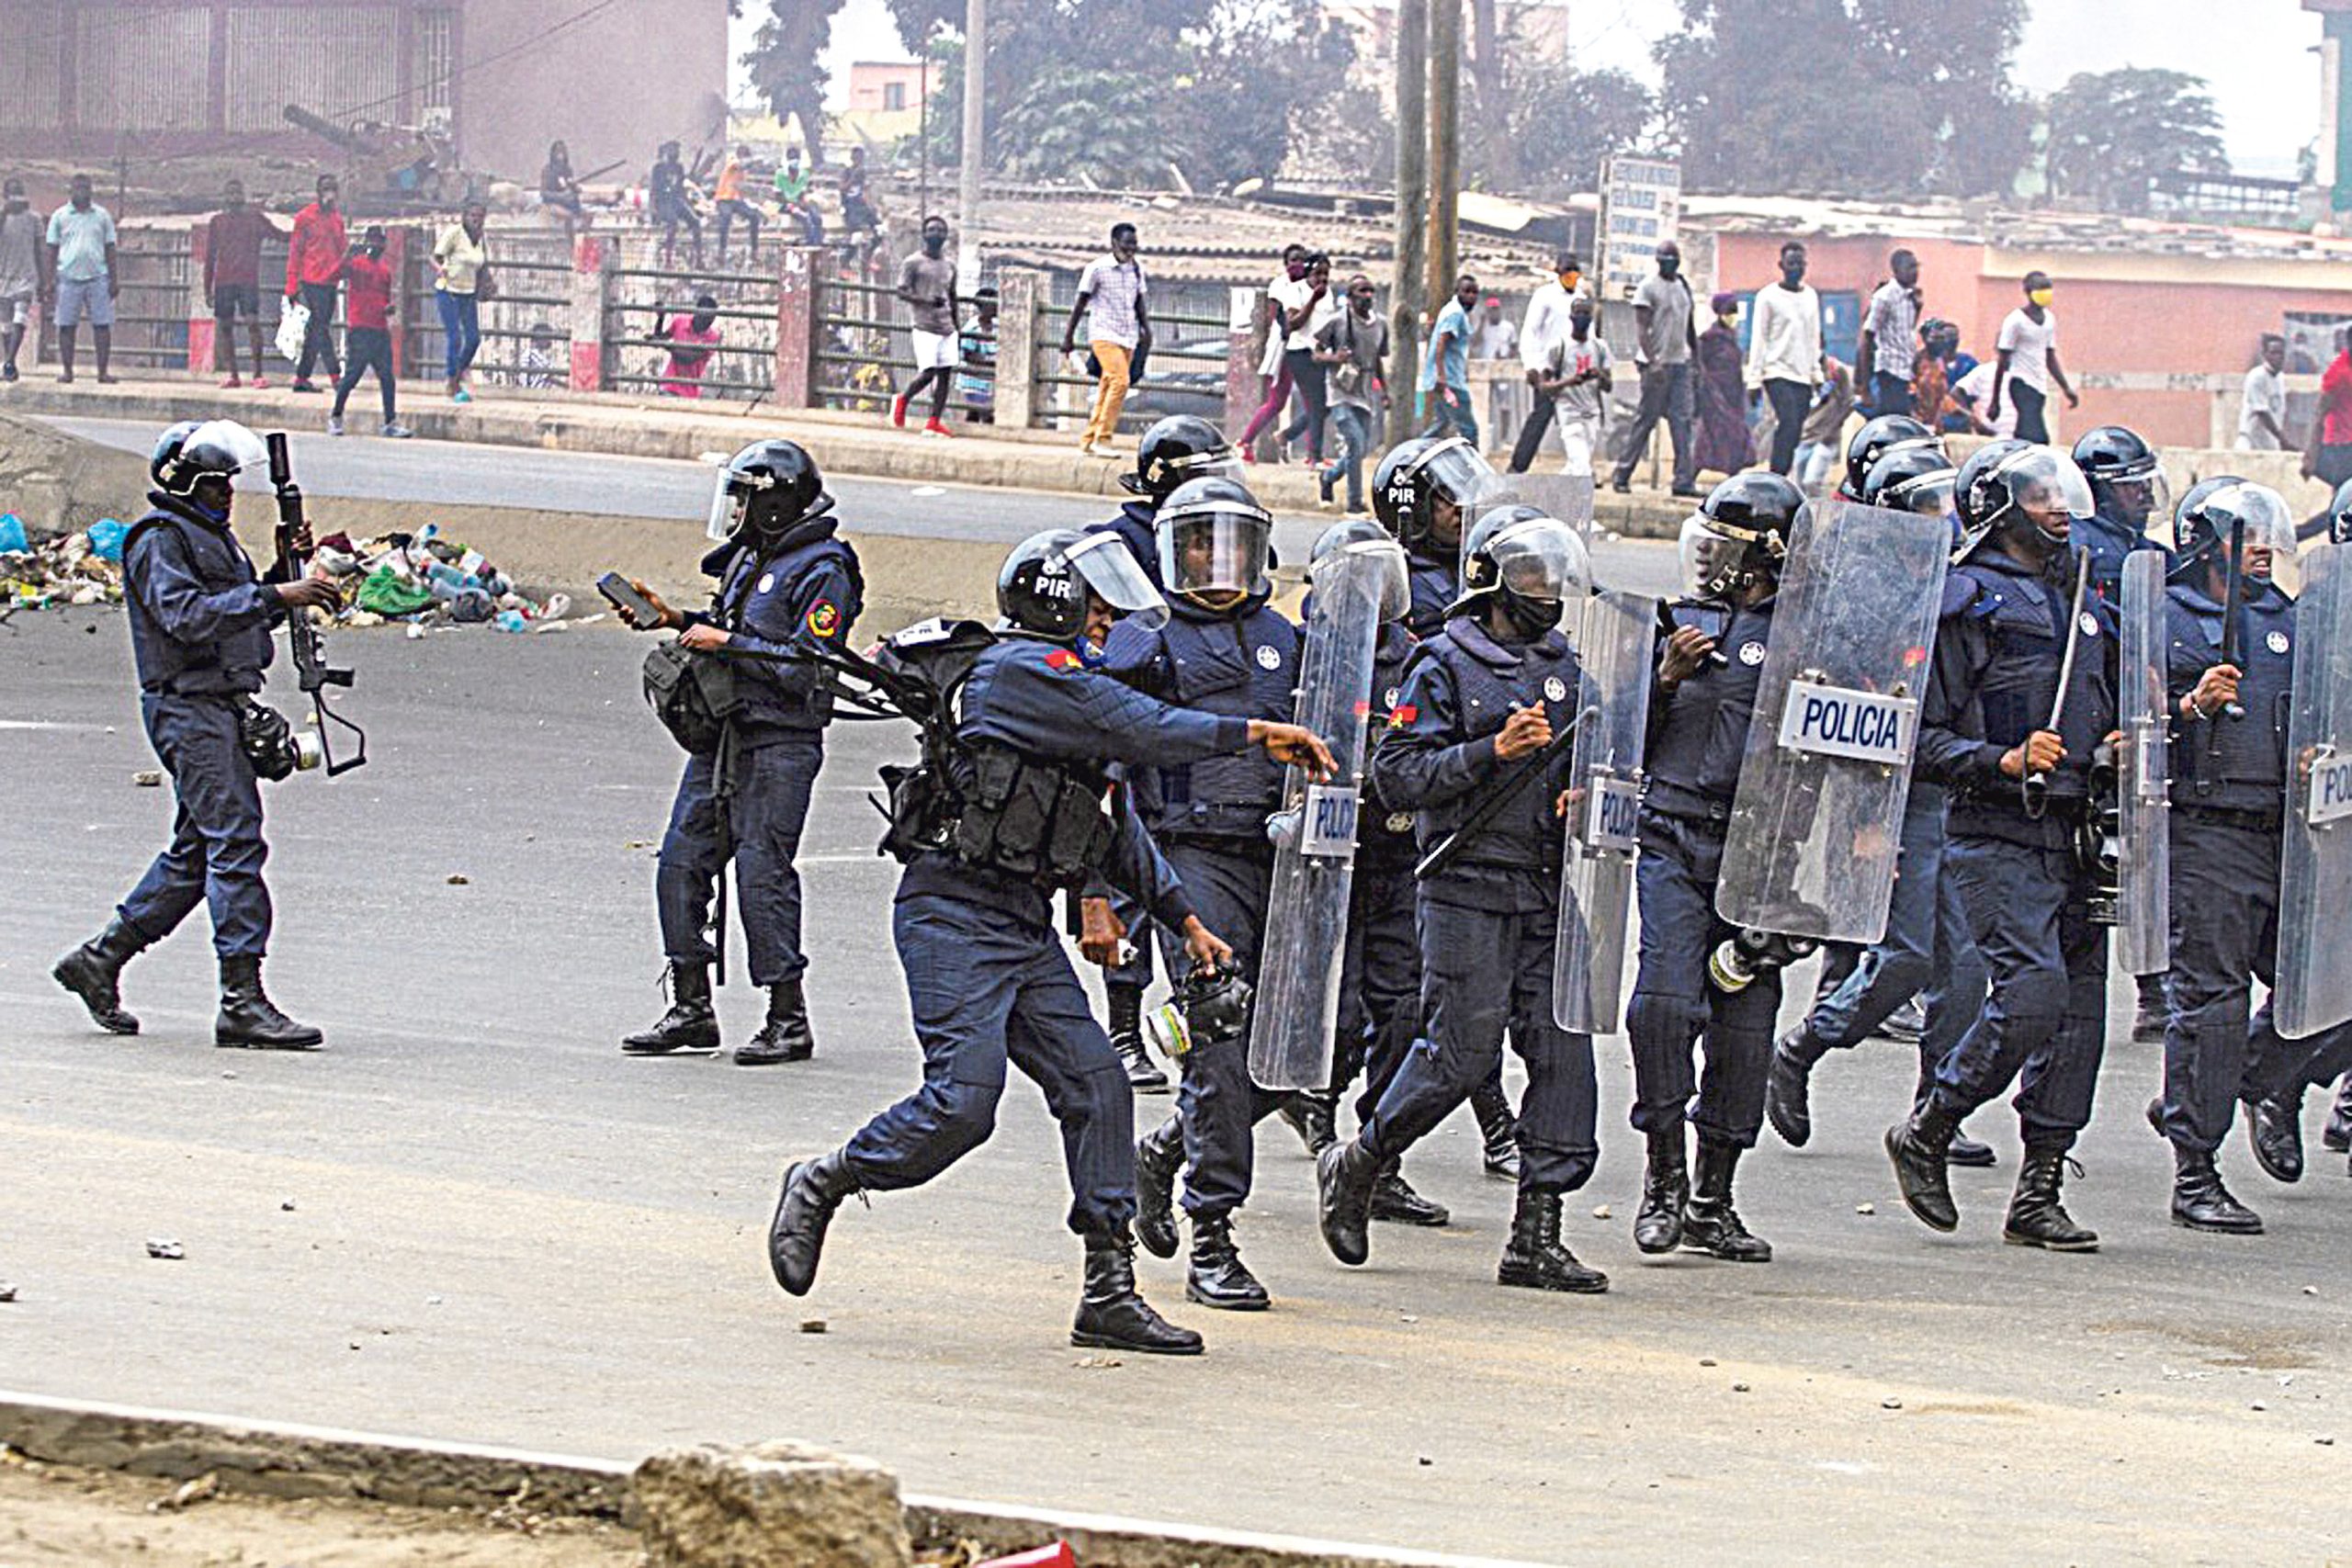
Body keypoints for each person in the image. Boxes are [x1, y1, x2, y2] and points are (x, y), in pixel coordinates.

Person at [763, 528, 1334, 1357]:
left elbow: (1109, 822)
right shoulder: (1021, 673)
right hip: (951, 914)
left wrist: (1183, 919)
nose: (1110, 621)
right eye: (1098, 605)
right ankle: (827, 1176)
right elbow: (1143, 727)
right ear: (1060, 602)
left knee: (1099, 1086)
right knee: (962, 1104)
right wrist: (1252, 732)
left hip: (1021, 926)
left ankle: (1108, 1291)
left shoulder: (1075, 691)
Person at [1315, 506, 1608, 1295]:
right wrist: (1490, 751)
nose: (1547, 593)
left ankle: (1536, 1234)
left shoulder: (1568, 667)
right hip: (1464, 881)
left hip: (1545, 883)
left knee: (1563, 1048)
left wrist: (1578, 794)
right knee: (1460, 1053)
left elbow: (1584, 761)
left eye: (1554, 578)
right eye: (1532, 578)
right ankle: (1362, 1158)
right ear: (1493, 581)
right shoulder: (1442, 662)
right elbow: (1397, 775)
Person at [1887, 445, 2114, 1252]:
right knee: (2032, 994)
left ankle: (2040, 1188)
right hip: (1996, 830)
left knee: (2081, 1016)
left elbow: (2112, 699)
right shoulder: (1966, 603)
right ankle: (1931, 1124)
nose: (2059, 506)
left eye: (2062, 493)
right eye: (2040, 494)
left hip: (2080, 832)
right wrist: (2002, 761)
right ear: (1999, 505)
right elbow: (1921, 739)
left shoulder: (2090, 593)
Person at [51, 420, 341, 1050]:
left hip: (221, 706)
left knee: (197, 851)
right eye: (217, 486)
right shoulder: (158, 540)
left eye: (231, 486)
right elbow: (187, 616)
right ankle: (241, 1000)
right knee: (235, 843)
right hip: (189, 710)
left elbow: (236, 600)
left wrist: (277, 569)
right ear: (187, 485)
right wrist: (279, 592)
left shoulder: (208, 536)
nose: (228, 496)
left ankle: (99, 960)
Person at [1767, 447, 2002, 1168]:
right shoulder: (1859, 592)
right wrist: (1865, 818)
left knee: (1963, 963)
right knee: (1903, 958)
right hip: (1888, 795)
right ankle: (1804, 1045)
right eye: (1928, 505)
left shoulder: (1949, 582)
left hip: (1949, 788)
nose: (1944, 517)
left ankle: (1936, 1109)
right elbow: (1844, 710)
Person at [1107, 477, 1308, 1311]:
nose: (1215, 560)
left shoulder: (1285, 638)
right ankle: (1213, 1235)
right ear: (1170, 549)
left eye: (1231, 542)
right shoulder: (1142, 640)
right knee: (1219, 1042)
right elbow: (1106, 765)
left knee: (1314, 1047)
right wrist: (1105, 894)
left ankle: (1167, 1146)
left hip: (1285, 857)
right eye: (1198, 542)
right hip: (1189, 856)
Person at [614, 441, 865, 1067]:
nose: (736, 511)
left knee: (762, 872)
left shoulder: (824, 568)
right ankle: (691, 1005)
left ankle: (787, 1016)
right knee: (680, 860)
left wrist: (727, 641)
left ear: (775, 502)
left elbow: (811, 660)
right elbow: (728, 625)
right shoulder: (750, 558)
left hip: (781, 742)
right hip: (726, 736)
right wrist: (674, 617)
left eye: (746, 498)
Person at [1621, 472, 1806, 1264]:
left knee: (1745, 1032)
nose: (1710, 557)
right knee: (1663, 1006)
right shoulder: (1675, 621)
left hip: (1760, 852)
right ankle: (1662, 1174)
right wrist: (1662, 678)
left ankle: (1712, 1196)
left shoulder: (1809, 634)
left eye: (1726, 546)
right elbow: (1621, 734)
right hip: (1672, 834)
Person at [1368, 434, 1525, 1177]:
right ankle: (1487, 1125)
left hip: (1481, 806)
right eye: (1442, 500)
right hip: (1426, 799)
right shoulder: (1408, 587)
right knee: (1438, 996)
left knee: (1442, 993)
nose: (1459, 511)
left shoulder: (1475, 570)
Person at [2150, 481, 2300, 1235]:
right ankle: (2195, 1169)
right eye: (2248, 536)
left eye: (2269, 535)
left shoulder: (2289, 619)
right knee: (2211, 1000)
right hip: (2207, 829)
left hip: (2288, 831)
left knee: (2324, 985)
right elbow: (2127, 719)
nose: (2264, 548)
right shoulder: (2168, 617)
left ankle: (2239, 1076)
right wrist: (2190, 705)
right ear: (2207, 544)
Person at [1083, 415, 1243, 1092]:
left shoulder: (1220, 534)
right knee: (1125, 870)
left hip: (1188, 729)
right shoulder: (1118, 547)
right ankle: (1123, 1026)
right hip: (1131, 717)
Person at [1611, 241, 1700, 498]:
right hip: (1656, 367)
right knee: (1646, 420)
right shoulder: (1648, 287)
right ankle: (1622, 473)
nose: (1670, 263)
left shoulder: (1683, 287)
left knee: (1682, 423)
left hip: (1680, 363)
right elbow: (1642, 328)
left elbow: (1689, 326)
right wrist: (1653, 361)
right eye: (1665, 258)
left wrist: (1696, 361)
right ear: (1658, 260)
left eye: (1674, 258)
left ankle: (1683, 480)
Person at [1062, 222, 1150, 460]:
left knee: (1107, 386)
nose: (1131, 248)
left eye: (1134, 243)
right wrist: (1068, 336)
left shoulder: (1136, 269)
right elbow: (1080, 302)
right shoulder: (1097, 269)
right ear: (1114, 243)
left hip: (1128, 335)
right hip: (1103, 334)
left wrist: (1145, 328)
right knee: (1121, 382)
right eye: (1126, 243)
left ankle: (1089, 438)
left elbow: (1139, 301)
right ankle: (1104, 438)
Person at [1746, 242, 1823, 478]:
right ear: (1781, 265)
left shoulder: (1810, 296)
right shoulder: (1768, 297)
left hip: (1802, 375)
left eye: (1800, 263)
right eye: (1791, 263)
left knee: (1795, 431)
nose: (1796, 268)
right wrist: (1754, 380)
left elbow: (1813, 337)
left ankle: (1783, 475)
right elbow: (1759, 338)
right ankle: (1775, 477)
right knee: (1788, 422)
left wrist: (1816, 373)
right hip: (1776, 372)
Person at [326, 227, 409, 439]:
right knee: (353, 375)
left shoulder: (384, 271)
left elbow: (384, 298)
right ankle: (336, 416)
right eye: (373, 241)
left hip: (379, 329)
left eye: (380, 242)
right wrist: (347, 255)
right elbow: (334, 274)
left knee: (387, 378)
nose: (376, 246)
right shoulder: (356, 264)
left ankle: (390, 421)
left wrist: (388, 308)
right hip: (360, 328)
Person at [1315, 273, 1388, 513]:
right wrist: (1334, 358)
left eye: (1370, 291)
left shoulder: (1380, 325)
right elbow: (1316, 353)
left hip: (1364, 391)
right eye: (1361, 291)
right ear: (1350, 297)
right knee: (1355, 441)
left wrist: (1385, 391)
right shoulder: (1338, 322)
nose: (1367, 296)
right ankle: (1355, 502)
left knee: (1361, 448)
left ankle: (1329, 477)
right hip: (1339, 390)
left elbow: (1377, 359)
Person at [203, 179, 283, 389]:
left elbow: (279, 235)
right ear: (225, 196)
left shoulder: (255, 219)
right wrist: (207, 287)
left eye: (237, 192)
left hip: (247, 280)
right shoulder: (217, 222)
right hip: (224, 281)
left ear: (243, 196)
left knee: (252, 323)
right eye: (230, 193)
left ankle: (258, 373)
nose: (234, 197)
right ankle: (233, 374)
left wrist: (303, 235)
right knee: (226, 327)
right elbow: (210, 256)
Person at [1509, 253, 1583, 474]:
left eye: (1574, 273)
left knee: (1577, 420)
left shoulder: (1580, 299)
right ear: (1558, 273)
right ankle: (1518, 466)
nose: (1571, 277)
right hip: (1548, 369)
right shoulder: (1545, 296)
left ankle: (1580, 468)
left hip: (1571, 368)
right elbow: (1531, 332)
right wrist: (1532, 365)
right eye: (1567, 272)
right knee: (1541, 416)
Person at [1238, 244, 1310, 460]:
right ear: (1286, 264)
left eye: (1301, 260)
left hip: (1306, 345)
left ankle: (1311, 453)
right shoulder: (1279, 285)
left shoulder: (1311, 285)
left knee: (1313, 401)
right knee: (1277, 402)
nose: (1297, 264)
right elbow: (1276, 320)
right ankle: (1245, 442)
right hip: (1284, 348)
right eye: (1293, 260)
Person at [44, 173, 119, 385]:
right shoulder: (59, 216)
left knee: (102, 326)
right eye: (78, 188)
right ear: (71, 191)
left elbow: (110, 247)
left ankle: (103, 372)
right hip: (68, 278)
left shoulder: (102, 216)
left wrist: (114, 279)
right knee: (66, 326)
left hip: (98, 278)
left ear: (91, 191)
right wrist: (49, 280)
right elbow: (51, 248)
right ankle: (67, 371)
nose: (82, 192)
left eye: (86, 188)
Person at [890, 215, 960, 438]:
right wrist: (925, 300)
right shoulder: (913, 263)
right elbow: (902, 291)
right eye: (932, 230)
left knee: (945, 375)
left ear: (945, 235)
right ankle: (903, 399)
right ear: (924, 235)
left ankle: (934, 421)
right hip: (924, 325)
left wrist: (957, 325)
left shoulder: (950, 265)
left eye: (940, 230)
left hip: (947, 326)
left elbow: (952, 295)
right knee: (928, 373)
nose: (936, 234)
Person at [1989, 271, 2077, 446]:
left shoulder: (2049, 320)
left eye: (2048, 288)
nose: (2046, 292)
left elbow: (2050, 357)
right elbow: (2003, 359)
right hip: (2021, 383)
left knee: (2025, 431)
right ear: (2028, 292)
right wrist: (1995, 401)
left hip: (2039, 385)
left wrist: (2066, 388)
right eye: (2040, 288)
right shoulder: (2015, 321)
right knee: (2037, 436)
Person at [1535, 293, 1611, 479]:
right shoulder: (1558, 347)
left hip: (1591, 413)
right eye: (1578, 313)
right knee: (1582, 467)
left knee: (1577, 464)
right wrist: (1569, 381)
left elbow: (1608, 386)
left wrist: (1598, 374)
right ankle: (1579, 504)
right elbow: (1543, 386)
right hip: (1568, 412)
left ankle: (1554, 491)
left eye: (1586, 313)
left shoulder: (1599, 347)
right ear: (1571, 316)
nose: (1582, 317)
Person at [283, 175, 345, 393]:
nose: (329, 193)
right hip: (311, 279)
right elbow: (295, 252)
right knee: (321, 327)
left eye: (332, 189)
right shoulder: (305, 217)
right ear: (318, 192)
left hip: (330, 281)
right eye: (325, 189)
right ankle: (336, 375)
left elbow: (341, 250)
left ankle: (302, 378)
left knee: (315, 330)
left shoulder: (337, 219)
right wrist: (292, 285)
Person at [1276, 253, 1338, 465]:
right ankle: (1315, 456)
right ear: (1308, 273)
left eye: (1326, 274)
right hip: (1300, 352)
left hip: (1321, 353)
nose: (1322, 279)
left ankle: (1287, 436)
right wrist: (1313, 299)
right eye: (1317, 274)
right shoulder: (1296, 291)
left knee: (1325, 405)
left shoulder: (1328, 293)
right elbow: (1293, 323)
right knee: (1317, 403)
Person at [431, 201, 490, 404]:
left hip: (468, 293)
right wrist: (440, 268)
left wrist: (486, 284)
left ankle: (457, 373)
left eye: (480, 216)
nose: (476, 220)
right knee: (455, 337)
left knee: (473, 338)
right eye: (472, 215)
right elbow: (435, 256)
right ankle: (451, 379)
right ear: (465, 216)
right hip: (449, 290)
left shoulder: (481, 238)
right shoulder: (455, 233)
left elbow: (482, 264)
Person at [1690, 291, 1753, 481]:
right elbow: (1700, 365)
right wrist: (1709, 390)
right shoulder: (1709, 338)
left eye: (1735, 311)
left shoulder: (1732, 337)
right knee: (1710, 435)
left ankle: (1733, 475)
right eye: (1729, 311)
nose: (1733, 316)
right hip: (1714, 394)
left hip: (1733, 394)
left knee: (1735, 434)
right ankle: (1690, 474)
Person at [1856, 250, 1923, 420]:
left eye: (1916, 266)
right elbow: (1867, 339)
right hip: (1889, 372)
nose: (1915, 272)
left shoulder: (1911, 297)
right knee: (1893, 423)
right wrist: (1865, 388)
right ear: (1896, 269)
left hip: (1905, 371)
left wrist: (1918, 307)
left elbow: (1906, 334)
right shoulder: (1884, 297)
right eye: (1910, 267)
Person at [1419, 272, 1480, 447]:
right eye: (1467, 292)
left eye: (1475, 293)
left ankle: (1412, 455)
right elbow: (1441, 344)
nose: (1471, 296)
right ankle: (1475, 471)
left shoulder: (1451, 310)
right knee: (1469, 429)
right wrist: (1442, 378)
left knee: (1441, 423)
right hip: (1450, 383)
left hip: (1446, 379)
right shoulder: (1455, 313)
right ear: (1457, 292)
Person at [1792, 356, 1857, 493]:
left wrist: (1833, 427)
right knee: (1797, 487)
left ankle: (1819, 513)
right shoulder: (1797, 369)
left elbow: (1849, 402)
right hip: (1803, 436)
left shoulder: (1836, 371)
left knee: (1812, 482)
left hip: (1826, 438)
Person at [0, 178, 43, 382]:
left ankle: (8, 361)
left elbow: (39, 250)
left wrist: (43, 280)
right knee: (6, 325)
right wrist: (5, 212)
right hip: (3, 276)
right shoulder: (2, 217)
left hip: (26, 277)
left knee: (19, 319)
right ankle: (11, 363)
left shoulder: (34, 219)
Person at [656, 293, 723, 399]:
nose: (709, 322)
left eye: (712, 318)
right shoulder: (680, 322)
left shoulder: (712, 337)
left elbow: (688, 358)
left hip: (690, 391)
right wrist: (660, 318)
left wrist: (666, 345)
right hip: (670, 385)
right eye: (706, 318)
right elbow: (659, 339)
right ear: (697, 313)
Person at [649, 141, 702, 267]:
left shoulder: (679, 167)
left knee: (695, 222)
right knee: (672, 223)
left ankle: (699, 259)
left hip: (677, 201)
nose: (676, 153)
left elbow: (682, 187)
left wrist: (689, 205)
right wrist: (654, 209)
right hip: (664, 202)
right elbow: (654, 189)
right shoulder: (658, 169)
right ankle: (668, 259)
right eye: (673, 150)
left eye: (677, 151)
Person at [2238, 334, 2289, 452]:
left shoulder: (2280, 378)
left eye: (2281, 353)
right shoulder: (2257, 377)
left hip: (2270, 442)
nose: (2278, 357)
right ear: (2265, 354)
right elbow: (2262, 412)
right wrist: (2283, 440)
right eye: (2273, 353)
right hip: (2251, 441)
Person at [956, 286, 999, 423]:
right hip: (973, 377)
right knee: (985, 414)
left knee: (975, 414)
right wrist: (989, 361)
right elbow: (968, 355)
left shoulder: (997, 325)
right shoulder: (972, 327)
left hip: (987, 378)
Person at [712, 145, 762, 264]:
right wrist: (757, 159)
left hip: (736, 201)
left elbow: (741, 188)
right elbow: (741, 164)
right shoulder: (733, 163)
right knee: (726, 217)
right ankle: (721, 251)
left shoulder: (743, 173)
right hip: (723, 199)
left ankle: (755, 251)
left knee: (755, 216)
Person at [540, 141, 588, 232]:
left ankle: (581, 238)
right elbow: (543, 193)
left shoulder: (567, 170)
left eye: (563, 151)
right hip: (552, 204)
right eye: (558, 151)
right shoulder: (547, 170)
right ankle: (570, 237)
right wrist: (561, 196)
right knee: (570, 216)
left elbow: (569, 186)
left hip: (569, 204)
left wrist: (575, 188)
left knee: (586, 215)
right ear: (553, 154)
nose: (560, 154)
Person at [838, 145, 879, 243]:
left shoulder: (863, 172)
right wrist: (853, 178)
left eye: (860, 158)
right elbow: (842, 188)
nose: (858, 161)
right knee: (854, 225)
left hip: (861, 203)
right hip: (849, 203)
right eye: (856, 158)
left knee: (877, 225)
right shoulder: (847, 171)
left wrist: (871, 202)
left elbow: (866, 189)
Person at [1473, 296, 1517, 361]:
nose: (1494, 312)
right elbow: (1475, 344)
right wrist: (1481, 323)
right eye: (1491, 310)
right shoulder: (1482, 326)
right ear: (1487, 311)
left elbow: (1514, 345)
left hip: (1504, 363)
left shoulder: (1508, 326)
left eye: (1496, 309)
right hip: (1486, 363)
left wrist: (1508, 358)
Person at [519, 322, 561, 389]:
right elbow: (551, 372)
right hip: (532, 391)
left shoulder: (534, 353)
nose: (550, 341)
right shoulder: (531, 353)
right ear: (540, 339)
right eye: (548, 338)